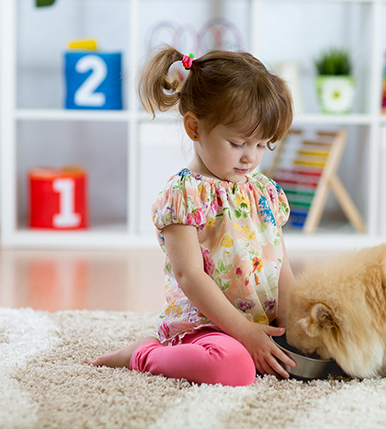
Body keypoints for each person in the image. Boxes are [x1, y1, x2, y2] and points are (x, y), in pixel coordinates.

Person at [89, 46, 296, 386]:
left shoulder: (263, 190)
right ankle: (143, 353)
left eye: (261, 145)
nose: (250, 158)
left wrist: (290, 328)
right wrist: (243, 331)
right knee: (231, 368)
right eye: (239, 143)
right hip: (207, 327)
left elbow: (282, 265)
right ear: (194, 128)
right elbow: (189, 276)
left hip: (261, 320)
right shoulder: (184, 195)